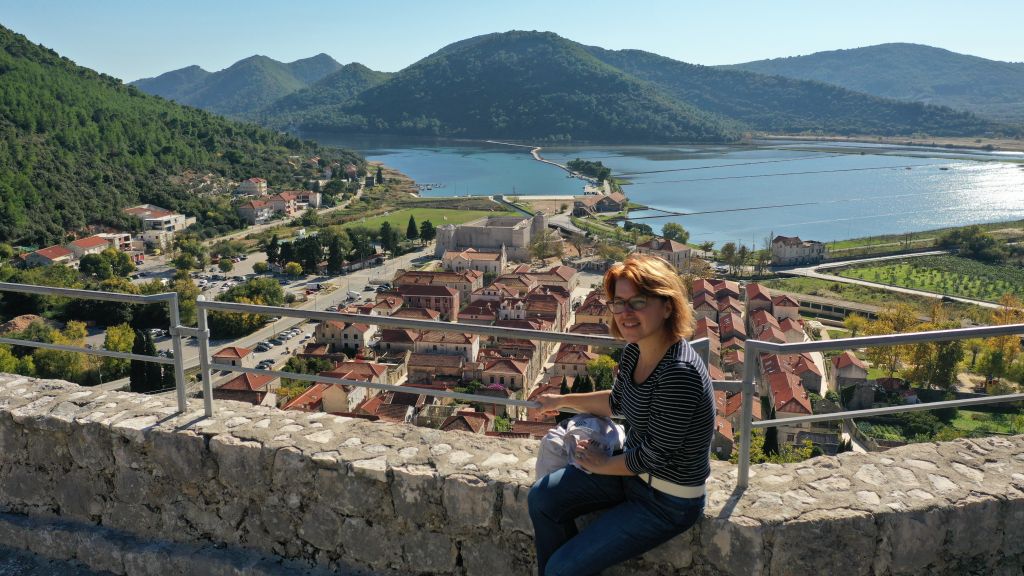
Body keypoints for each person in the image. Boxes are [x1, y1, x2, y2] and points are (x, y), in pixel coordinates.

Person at [528, 254, 716, 576]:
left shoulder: (679, 373)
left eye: (638, 302)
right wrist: (560, 401)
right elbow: (618, 403)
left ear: (668, 306)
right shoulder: (635, 350)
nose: (625, 313)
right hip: (631, 476)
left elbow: (655, 457)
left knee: (562, 569)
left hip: (668, 500)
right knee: (541, 500)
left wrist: (602, 464)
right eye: (619, 303)